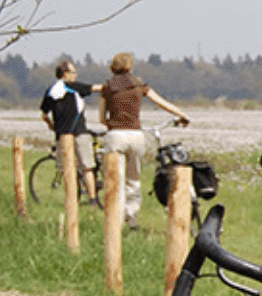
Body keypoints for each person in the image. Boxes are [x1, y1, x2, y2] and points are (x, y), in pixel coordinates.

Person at [99, 52, 190, 226]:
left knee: (115, 179)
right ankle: (131, 216)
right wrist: (182, 114)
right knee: (133, 179)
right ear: (130, 66)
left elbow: (102, 118)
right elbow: (162, 103)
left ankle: (114, 220)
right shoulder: (140, 85)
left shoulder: (107, 87)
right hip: (136, 135)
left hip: (115, 135)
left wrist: (112, 123)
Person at [39, 61, 102, 195]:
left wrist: (52, 126)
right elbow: (96, 88)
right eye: (73, 72)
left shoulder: (51, 91)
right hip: (80, 132)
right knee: (87, 167)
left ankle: (72, 198)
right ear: (66, 74)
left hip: (61, 134)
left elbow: (44, 114)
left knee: (66, 167)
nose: (75, 75)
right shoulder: (74, 87)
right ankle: (92, 199)